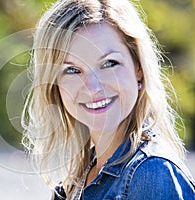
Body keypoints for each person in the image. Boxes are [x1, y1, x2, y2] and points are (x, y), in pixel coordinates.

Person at [21, 0, 195, 199]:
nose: (93, 88)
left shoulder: (151, 173)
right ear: (55, 84)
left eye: (109, 63)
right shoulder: (75, 182)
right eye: (72, 70)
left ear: (138, 67)